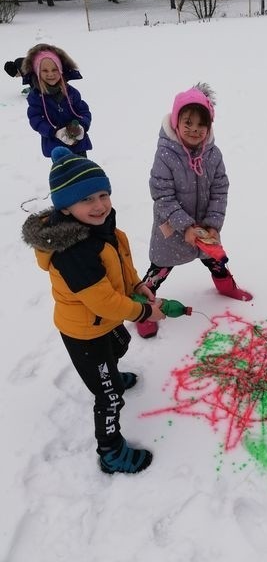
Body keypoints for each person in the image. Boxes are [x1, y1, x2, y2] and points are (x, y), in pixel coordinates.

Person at [22, 147, 166, 474]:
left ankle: (107, 372)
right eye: (87, 199)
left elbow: (121, 262)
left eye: (103, 194)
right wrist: (144, 313)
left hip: (104, 323)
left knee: (120, 344)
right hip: (85, 332)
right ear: (66, 206)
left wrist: (137, 288)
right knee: (110, 395)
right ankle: (110, 451)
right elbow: (101, 300)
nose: (99, 205)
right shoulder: (72, 251)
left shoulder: (103, 227)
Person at [137, 82, 252, 339]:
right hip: (172, 228)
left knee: (215, 258)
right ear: (177, 121)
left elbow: (220, 188)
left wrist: (212, 224)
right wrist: (186, 227)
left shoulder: (213, 154)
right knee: (159, 270)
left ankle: (226, 286)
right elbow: (162, 195)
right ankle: (143, 308)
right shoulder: (165, 154)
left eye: (201, 125)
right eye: (188, 122)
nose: (194, 130)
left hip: (204, 228)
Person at [21, 43, 92, 158]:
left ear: (61, 70)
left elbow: (84, 111)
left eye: (55, 69)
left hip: (78, 144)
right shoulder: (35, 97)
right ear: (37, 72)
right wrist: (55, 132)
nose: (51, 74)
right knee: (65, 174)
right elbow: (36, 120)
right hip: (56, 147)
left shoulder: (71, 92)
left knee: (82, 172)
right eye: (45, 70)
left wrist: (82, 126)